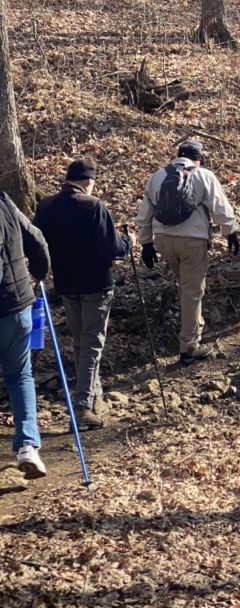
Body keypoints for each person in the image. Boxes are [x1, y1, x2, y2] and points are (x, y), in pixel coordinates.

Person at [34, 159, 131, 430]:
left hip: (66, 283)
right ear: (88, 181)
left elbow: (37, 242)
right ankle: (82, 405)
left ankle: (94, 396)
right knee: (92, 342)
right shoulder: (93, 206)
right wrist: (129, 243)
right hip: (96, 283)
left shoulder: (46, 207)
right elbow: (110, 247)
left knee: (80, 341)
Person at [136, 140, 238, 364]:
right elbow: (220, 207)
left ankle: (195, 327)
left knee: (185, 286)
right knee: (192, 291)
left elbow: (144, 214)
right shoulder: (203, 175)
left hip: (163, 240)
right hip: (193, 240)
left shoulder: (157, 176)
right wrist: (230, 232)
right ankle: (189, 347)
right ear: (198, 158)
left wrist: (146, 244)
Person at [0, 192, 50, 478]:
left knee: (20, 375)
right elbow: (37, 240)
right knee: (20, 375)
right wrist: (39, 274)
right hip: (18, 305)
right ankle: (28, 447)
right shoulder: (5, 201)